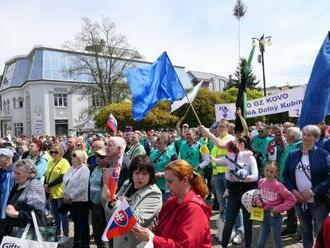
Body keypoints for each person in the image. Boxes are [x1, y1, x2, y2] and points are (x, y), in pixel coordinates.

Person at [132, 159, 212, 248]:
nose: (166, 185)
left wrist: (152, 238)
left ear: (185, 180)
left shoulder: (194, 209)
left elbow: (185, 246)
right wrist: (147, 233)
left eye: (170, 181)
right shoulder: (172, 201)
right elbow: (161, 229)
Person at [284, 125, 330, 248]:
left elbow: (328, 177)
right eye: (304, 134)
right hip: (299, 201)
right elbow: (286, 175)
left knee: (321, 232)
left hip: (318, 201)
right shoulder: (293, 154)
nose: (305, 137)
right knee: (305, 230)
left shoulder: (323, 154)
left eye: (309, 135)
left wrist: (312, 192)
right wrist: (293, 191)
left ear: (315, 138)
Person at [104, 155, 162, 248]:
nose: (140, 177)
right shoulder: (128, 184)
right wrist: (112, 202)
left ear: (151, 175)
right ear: (131, 173)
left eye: (144, 174)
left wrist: (117, 202)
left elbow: (135, 221)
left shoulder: (154, 193)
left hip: (135, 243)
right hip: (118, 238)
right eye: (137, 173)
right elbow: (110, 209)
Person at [210, 138, 258, 248]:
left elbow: (255, 176)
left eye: (242, 142)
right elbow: (226, 174)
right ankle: (224, 246)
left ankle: (248, 246)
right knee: (229, 222)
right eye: (238, 142)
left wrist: (240, 179)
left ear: (246, 145)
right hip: (234, 193)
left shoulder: (250, 158)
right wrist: (209, 157)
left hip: (247, 194)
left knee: (247, 223)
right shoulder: (230, 157)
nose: (240, 144)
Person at [0, 159, 46, 241]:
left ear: (29, 174)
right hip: (15, 230)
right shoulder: (19, 184)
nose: (15, 175)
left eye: (18, 173)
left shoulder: (34, 186)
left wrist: (16, 214)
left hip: (28, 234)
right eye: (15, 172)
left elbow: (38, 214)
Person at [255, 161, 296, 248]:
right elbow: (257, 194)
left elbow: (292, 199)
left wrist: (278, 208)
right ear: (263, 170)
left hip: (275, 216)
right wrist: (258, 201)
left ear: (276, 174)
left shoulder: (278, 186)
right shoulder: (261, 182)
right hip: (263, 215)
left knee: (276, 240)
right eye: (267, 170)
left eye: (272, 172)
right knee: (260, 241)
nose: (268, 173)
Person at [63, 149, 90, 248]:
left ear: (80, 158)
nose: (72, 158)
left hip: (81, 201)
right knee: (76, 224)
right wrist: (65, 195)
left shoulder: (84, 169)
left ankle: (84, 244)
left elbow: (82, 187)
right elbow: (65, 182)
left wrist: (71, 196)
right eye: (72, 156)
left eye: (74, 157)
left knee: (82, 224)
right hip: (71, 201)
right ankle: (76, 243)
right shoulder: (71, 168)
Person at [44, 144, 70, 243]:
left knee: (63, 214)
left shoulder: (64, 162)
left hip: (60, 192)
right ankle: (57, 233)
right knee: (55, 215)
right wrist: (46, 185)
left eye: (55, 152)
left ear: (60, 153)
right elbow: (47, 174)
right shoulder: (50, 161)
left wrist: (48, 185)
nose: (53, 154)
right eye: (51, 152)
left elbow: (62, 177)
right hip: (51, 192)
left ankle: (66, 234)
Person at [89, 148, 108, 248]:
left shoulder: (109, 170)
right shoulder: (93, 168)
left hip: (103, 207)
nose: (98, 159)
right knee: (96, 231)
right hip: (94, 205)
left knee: (103, 234)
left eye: (101, 157)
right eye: (97, 156)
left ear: (107, 158)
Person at [0, 148, 15, 225]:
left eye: (1, 156)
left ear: (9, 158)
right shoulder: (2, 170)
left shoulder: (14, 173)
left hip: (7, 211)